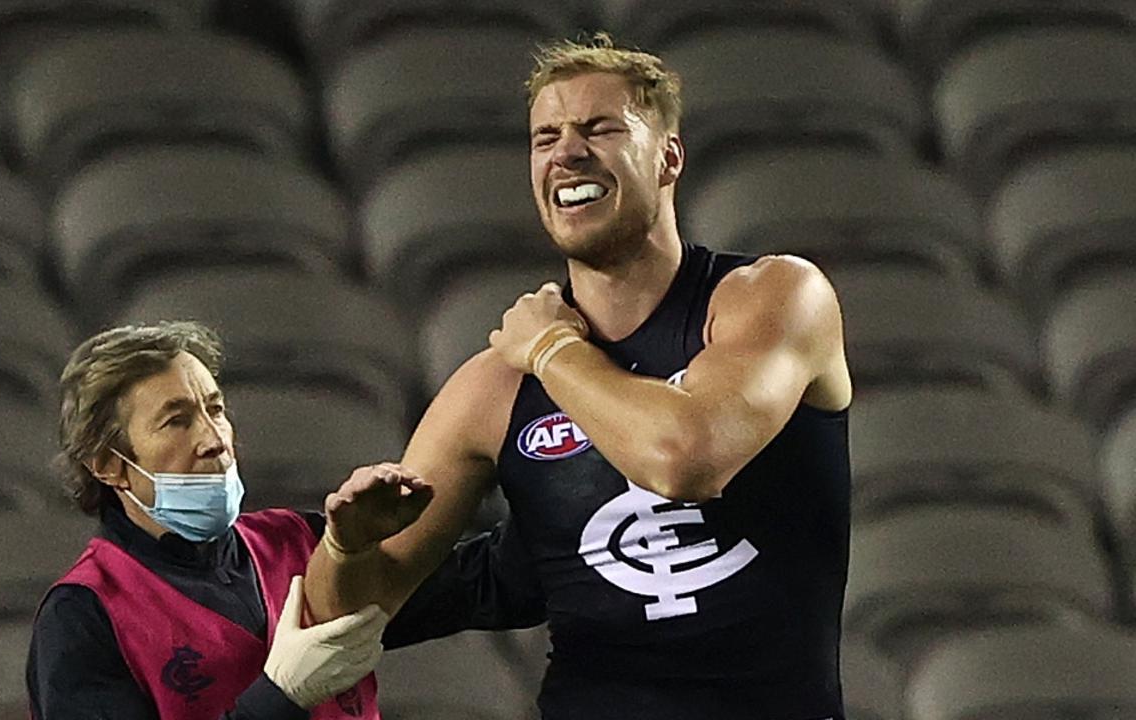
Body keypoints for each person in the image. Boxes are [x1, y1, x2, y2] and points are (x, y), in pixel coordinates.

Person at [306, 34, 854, 720]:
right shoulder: (492, 387)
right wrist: (347, 546)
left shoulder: (769, 296)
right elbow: (341, 620)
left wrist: (551, 352)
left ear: (668, 158)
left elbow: (685, 461)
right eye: (545, 137)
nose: (566, 152)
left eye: (599, 129)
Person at [27, 321, 544, 720]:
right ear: (109, 465)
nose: (215, 438)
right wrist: (280, 697)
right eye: (177, 420)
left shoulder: (302, 543)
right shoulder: (84, 616)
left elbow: (492, 587)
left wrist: (568, 483)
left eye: (215, 409)